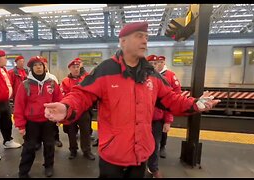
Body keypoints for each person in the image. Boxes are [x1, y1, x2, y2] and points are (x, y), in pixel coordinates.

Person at [43, 22, 220, 178]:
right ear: (123, 41)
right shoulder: (106, 69)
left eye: (146, 37)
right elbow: (82, 94)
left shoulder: (151, 74)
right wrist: (67, 107)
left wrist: (195, 104)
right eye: (139, 36)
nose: (145, 41)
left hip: (141, 153)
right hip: (113, 154)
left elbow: (170, 99)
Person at [14, 56, 63, 178]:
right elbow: (19, 106)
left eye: (40, 65)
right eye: (35, 65)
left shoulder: (52, 83)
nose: (39, 67)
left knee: (49, 145)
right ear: (31, 68)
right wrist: (20, 125)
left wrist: (59, 118)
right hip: (31, 122)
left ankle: (49, 166)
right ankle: (23, 171)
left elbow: (59, 101)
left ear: (44, 67)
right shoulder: (25, 85)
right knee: (29, 148)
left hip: (48, 121)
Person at [145, 54, 181, 178]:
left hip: (157, 119)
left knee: (155, 145)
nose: (154, 66)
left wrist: (168, 120)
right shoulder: (139, 77)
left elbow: (171, 101)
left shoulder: (164, 78)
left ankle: (153, 168)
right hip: (141, 119)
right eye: (151, 64)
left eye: (156, 63)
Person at [61, 58, 95, 160]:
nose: (76, 69)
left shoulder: (86, 78)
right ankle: (73, 150)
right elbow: (64, 95)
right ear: (69, 69)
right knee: (71, 131)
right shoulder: (65, 81)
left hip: (84, 110)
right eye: (73, 67)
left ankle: (86, 150)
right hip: (71, 111)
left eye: (77, 67)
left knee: (86, 131)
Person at [157, 55, 181, 159]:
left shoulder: (170, 75)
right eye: (157, 62)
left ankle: (162, 147)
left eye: (161, 62)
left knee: (164, 129)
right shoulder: (150, 74)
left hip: (164, 108)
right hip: (152, 109)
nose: (159, 64)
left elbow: (176, 92)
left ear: (164, 62)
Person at [40, 57, 63, 148]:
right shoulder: (31, 78)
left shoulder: (52, 78)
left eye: (43, 65)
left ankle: (56, 139)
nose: (42, 67)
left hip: (51, 106)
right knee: (39, 125)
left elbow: (57, 92)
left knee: (53, 124)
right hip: (39, 107)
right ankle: (39, 141)